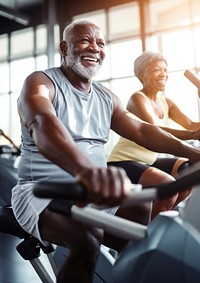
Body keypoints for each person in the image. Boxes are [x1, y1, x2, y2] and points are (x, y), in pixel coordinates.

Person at [11, 20, 200, 283]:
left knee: (144, 235)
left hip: (93, 190)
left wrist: (193, 154)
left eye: (100, 43)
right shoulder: (42, 82)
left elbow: (143, 131)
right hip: (41, 192)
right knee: (87, 239)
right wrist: (87, 172)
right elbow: (42, 123)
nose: (95, 48)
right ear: (65, 48)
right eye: (85, 41)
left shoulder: (105, 96)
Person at [108, 51, 200, 218]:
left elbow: (191, 125)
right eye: (158, 70)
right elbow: (156, 130)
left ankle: (162, 217)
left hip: (150, 160)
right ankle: (150, 233)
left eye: (165, 70)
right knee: (169, 186)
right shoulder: (137, 99)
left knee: (188, 173)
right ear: (143, 74)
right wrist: (193, 134)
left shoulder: (166, 102)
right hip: (123, 161)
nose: (164, 74)